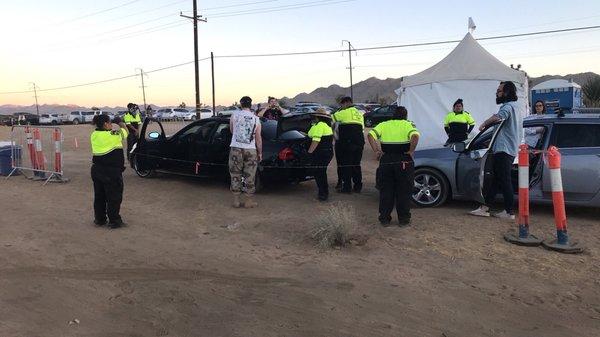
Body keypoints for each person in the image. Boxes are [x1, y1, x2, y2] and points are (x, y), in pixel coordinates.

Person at [470, 81, 523, 220]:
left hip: (503, 150)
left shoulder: (508, 107)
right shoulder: (518, 108)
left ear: (506, 92)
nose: (497, 93)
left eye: (499, 91)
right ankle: (485, 207)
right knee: (497, 179)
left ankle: (509, 211)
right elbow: (504, 129)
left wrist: (484, 123)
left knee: (504, 180)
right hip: (508, 148)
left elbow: (499, 117)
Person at [368, 106, 420, 226]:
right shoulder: (408, 125)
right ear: (405, 116)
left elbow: (370, 135)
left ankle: (384, 219)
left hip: (386, 159)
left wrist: (376, 150)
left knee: (386, 190)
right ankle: (404, 220)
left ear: (393, 115)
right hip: (404, 160)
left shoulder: (384, 124)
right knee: (404, 190)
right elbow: (415, 136)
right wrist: (411, 151)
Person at [90, 114, 128, 229]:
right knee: (114, 196)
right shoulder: (112, 135)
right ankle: (114, 220)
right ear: (106, 124)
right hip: (111, 171)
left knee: (99, 196)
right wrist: (120, 122)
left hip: (97, 169)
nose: (112, 124)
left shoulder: (94, 134)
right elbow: (126, 132)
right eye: (110, 122)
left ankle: (100, 219)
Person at [229, 96, 263, 208]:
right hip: (251, 149)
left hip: (236, 148)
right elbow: (258, 138)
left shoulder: (234, 115)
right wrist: (260, 152)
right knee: (250, 175)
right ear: (251, 105)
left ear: (241, 104)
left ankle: (236, 201)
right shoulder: (256, 119)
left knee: (235, 174)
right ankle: (248, 201)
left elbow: (232, 131)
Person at [332, 96, 365, 193]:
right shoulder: (359, 114)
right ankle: (358, 186)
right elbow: (362, 129)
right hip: (359, 142)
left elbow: (330, 119)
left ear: (345, 103)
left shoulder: (343, 112)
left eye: (341, 105)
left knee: (346, 165)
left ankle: (346, 188)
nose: (341, 107)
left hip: (347, 143)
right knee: (356, 164)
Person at [307, 108, 334, 201]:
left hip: (321, 153)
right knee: (321, 172)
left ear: (317, 117)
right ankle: (324, 192)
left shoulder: (320, 125)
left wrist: (309, 153)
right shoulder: (326, 125)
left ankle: (323, 194)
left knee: (319, 173)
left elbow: (316, 141)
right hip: (328, 152)